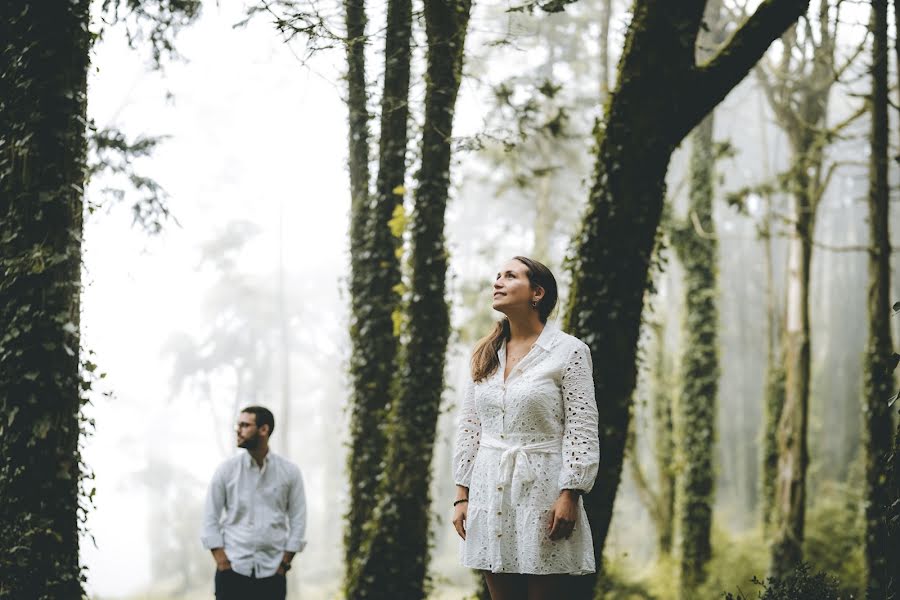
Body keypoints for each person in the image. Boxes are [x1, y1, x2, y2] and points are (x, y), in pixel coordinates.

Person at [452, 256, 600, 599]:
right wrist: (462, 495)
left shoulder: (569, 351)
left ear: (537, 293)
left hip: (544, 488)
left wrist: (571, 493)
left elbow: (582, 426)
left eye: (509, 276)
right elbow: (470, 427)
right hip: (490, 487)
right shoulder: (485, 352)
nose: (497, 282)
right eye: (497, 276)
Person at [201, 406, 307, 600]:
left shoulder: (289, 473)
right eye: (237, 425)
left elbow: (298, 520)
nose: (238, 430)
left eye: (245, 425)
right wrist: (223, 563)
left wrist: (283, 565)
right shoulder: (226, 471)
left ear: (263, 430)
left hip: (272, 574)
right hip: (232, 572)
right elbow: (210, 519)